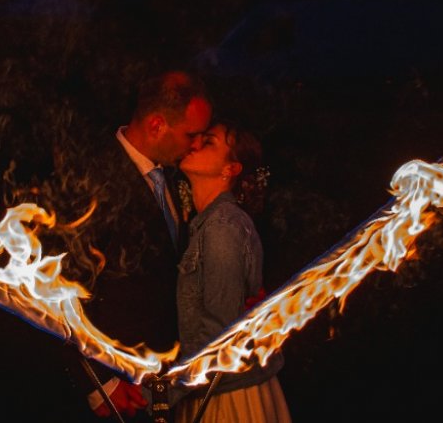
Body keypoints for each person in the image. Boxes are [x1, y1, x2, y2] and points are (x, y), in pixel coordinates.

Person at [74, 70, 213, 420]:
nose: (197, 144)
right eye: (191, 134)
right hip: (116, 383)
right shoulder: (91, 175)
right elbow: (64, 284)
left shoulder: (173, 178)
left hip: (160, 381)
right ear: (156, 125)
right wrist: (99, 381)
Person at [173, 122, 290, 423]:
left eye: (208, 142)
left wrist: (161, 394)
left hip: (227, 398)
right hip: (211, 389)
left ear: (231, 169)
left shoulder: (222, 226)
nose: (194, 144)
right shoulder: (206, 224)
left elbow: (219, 334)